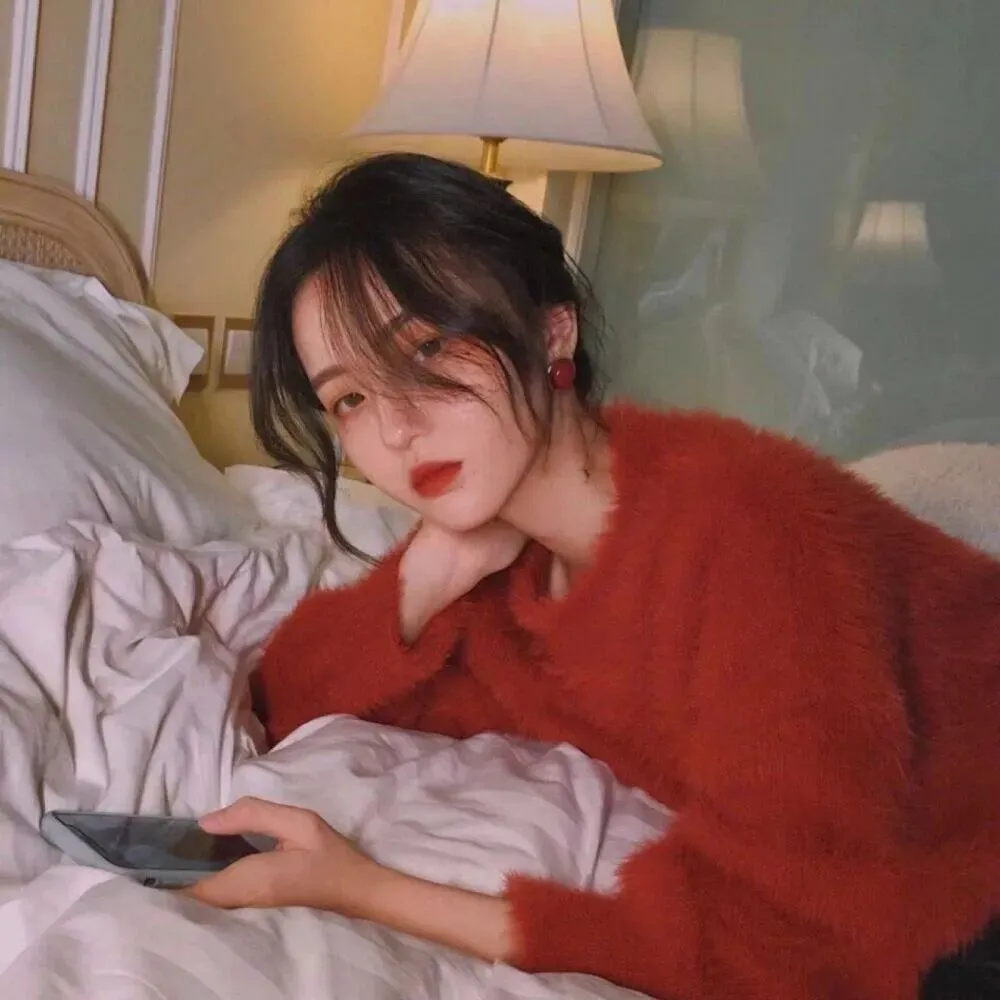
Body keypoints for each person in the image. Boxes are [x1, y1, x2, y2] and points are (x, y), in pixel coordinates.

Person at [185, 152, 1000, 1000]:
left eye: (428, 347)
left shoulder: (739, 526)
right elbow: (289, 703)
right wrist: (423, 578)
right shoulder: (507, 572)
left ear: (553, 332)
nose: (396, 429)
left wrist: (365, 890)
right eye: (350, 399)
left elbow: (786, 946)